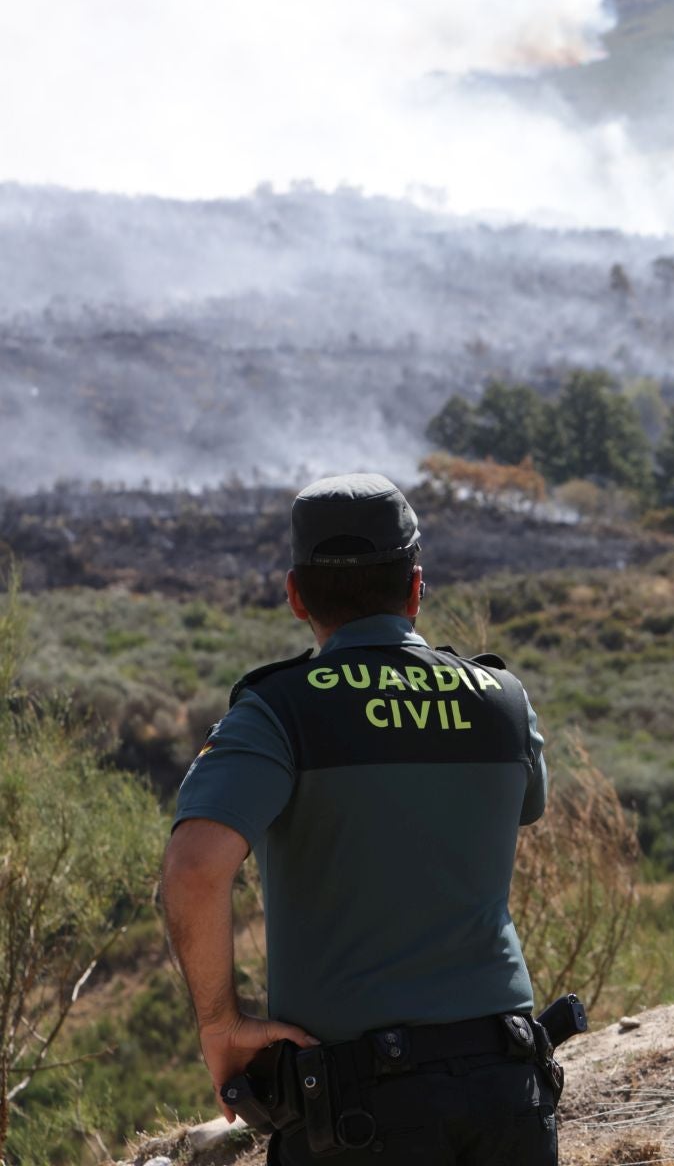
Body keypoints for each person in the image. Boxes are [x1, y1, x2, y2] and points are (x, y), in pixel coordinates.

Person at [162, 473, 557, 1165]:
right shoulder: (502, 700)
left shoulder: (278, 710)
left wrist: (222, 1025)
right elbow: (528, 808)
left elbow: (194, 870)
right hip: (508, 1086)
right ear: (416, 587)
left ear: (294, 596)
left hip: (356, 1105)